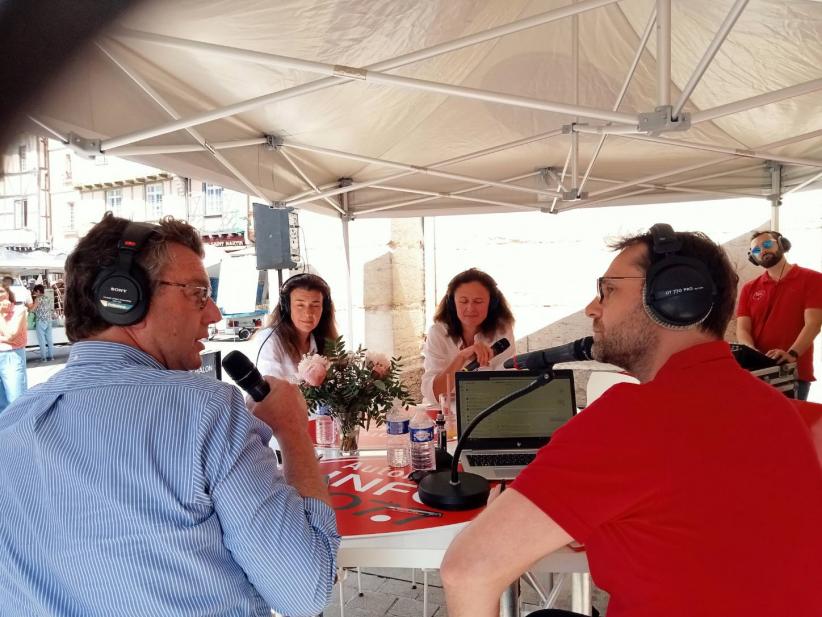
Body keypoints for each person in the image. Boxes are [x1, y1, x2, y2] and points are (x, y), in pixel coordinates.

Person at [440, 224, 822, 617]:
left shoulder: (631, 417)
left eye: (608, 290)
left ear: (673, 298)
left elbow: (466, 572)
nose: (592, 308)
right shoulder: (785, 411)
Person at [0, 213, 339, 615]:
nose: (213, 314)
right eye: (198, 292)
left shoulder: (11, 426)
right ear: (123, 298)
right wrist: (292, 430)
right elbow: (306, 591)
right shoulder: (209, 411)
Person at [736, 230, 822, 401]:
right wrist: (752, 353)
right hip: (757, 373)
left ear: (782, 244)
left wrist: (792, 354)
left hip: (793, 372)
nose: (763, 250)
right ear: (753, 257)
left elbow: (813, 323)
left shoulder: (813, 279)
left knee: (791, 426)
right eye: (756, 250)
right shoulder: (749, 288)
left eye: (767, 244)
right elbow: (743, 328)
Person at [421, 268, 516, 404]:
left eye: (478, 302)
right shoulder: (437, 332)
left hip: (487, 409)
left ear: (492, 304)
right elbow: (434, 395)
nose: (470, 308)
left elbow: (506, 387)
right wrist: (461, 357)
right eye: (463, 301)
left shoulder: (502, 331)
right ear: (453, 303)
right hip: (446, 415)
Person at [254, 273, 338, 379]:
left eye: (315, 305)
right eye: (300, 305)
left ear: (324, 309)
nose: (308, 313)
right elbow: (272, 389)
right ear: (287, 308)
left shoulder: (325, 342)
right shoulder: (270, 340)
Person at [0, 287, 28, 413]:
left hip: (11, 355)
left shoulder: (19, 310)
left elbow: (11, 335)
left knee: (16, 401)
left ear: (8, 293)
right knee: (1, 404)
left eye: (1, 291)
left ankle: (19, 432)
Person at [28, 283, 55, 362]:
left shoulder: (38, 299)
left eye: (35, 292)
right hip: (49, 320)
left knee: (42, 340)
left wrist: (28, 308)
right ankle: (51, 356)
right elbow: (50, 309)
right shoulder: (48, 298)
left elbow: (32, 309)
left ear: (39, 291)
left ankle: (44, 358)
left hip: (40, 321)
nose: (34, 294)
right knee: (49, 339)